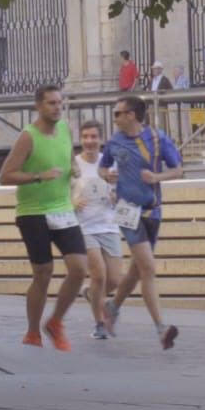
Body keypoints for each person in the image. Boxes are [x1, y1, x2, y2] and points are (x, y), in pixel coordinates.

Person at [0, 86, 88, 351]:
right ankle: (32, 332)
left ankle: (56, 321)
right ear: (38, 106)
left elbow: (70, 157)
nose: (57, 107)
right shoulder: (28, 137)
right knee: (43, 273)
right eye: (51, 103)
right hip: (33, 212)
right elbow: (6, 175)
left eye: (60, 102)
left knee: (79, 268)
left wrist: (73, 167)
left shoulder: (65, 130)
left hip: (62, 208)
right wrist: (38, 176)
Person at [99, 94, 184, 349]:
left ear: (131, 115)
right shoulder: (114, 142)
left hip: (152, 211)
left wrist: (156, 177)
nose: (114, 118)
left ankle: (111, 307)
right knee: (148, 267)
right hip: (127, 211)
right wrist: (108, 176)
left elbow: (178, 169)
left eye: (118, 113)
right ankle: (161, 328)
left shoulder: (156, 139)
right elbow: (103, 167)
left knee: (137, 270)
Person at [73, 120, 122, 340]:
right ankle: (99, 324)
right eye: (85, 137)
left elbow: (121, 193)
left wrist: (116, 195)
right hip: (85, 227)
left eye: (94, 137)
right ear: (81, 139)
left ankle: (90, 294)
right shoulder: (74, 165)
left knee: (114, 280)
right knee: (99, 275)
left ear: (101, 139)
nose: (90, 141)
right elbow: (62, 193)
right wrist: (72, 203)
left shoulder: (109, 163)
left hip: (109, 224)